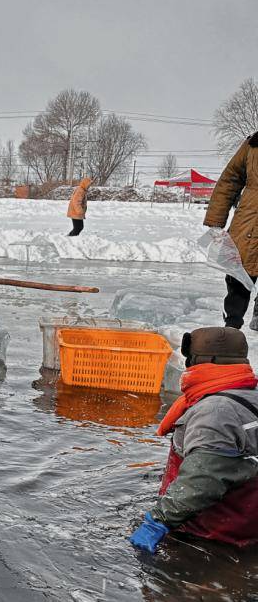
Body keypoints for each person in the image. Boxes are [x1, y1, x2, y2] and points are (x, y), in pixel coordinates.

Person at [129, 327, 258, 553]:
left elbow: (202, 479)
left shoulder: (215, 412)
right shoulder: (249, 395)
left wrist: (158, 521)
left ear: (199, 361)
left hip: (209, 537)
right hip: (246, 525)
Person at [203, 131, 258, 329]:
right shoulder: (253, 144)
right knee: (240, 275)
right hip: (249, 222)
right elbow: (230, 178)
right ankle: (231, 327)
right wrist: (216, 219)